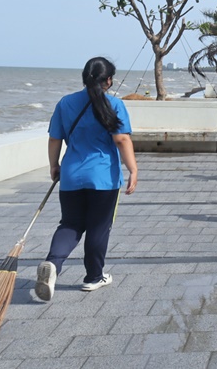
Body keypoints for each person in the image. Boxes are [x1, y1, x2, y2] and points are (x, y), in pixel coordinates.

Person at [35, 57, 138, 301]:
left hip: (71, 175)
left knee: (70, 224)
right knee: (98, 227)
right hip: (103, 177)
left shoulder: (65, 103)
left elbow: (54, 138)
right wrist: (133, 169)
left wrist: (54, 165)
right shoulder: (115, 104)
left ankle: (53, 264)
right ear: (109, 80)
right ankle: (94, 277)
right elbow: (121, 139)